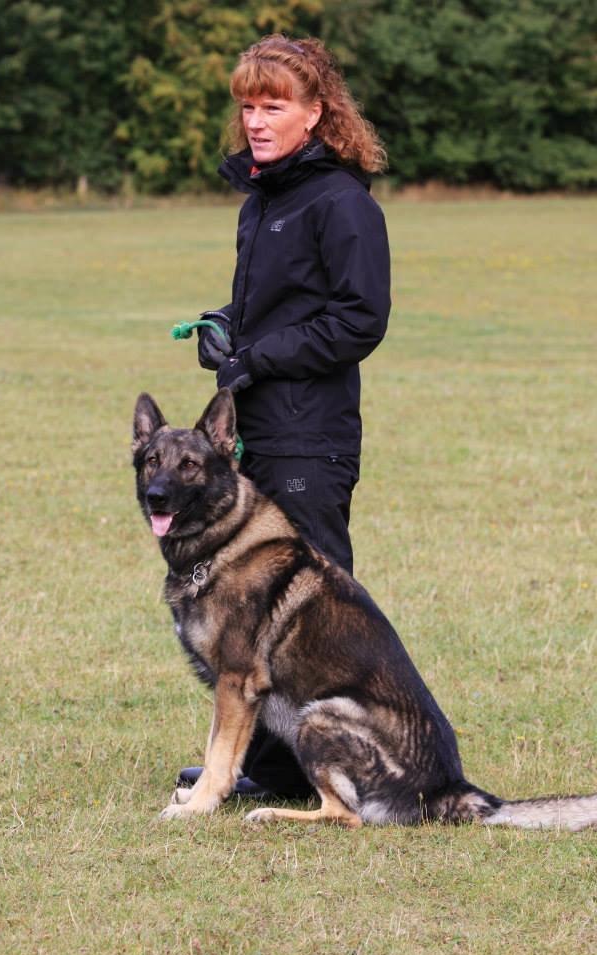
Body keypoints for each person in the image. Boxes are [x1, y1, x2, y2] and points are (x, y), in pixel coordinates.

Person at [180, 33, 391, 800]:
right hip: (256, 434)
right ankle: (263, 768)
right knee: (256, 608)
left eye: (275, 105)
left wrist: (260, 356)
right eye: (247, 106)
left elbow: (360, 319)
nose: (257, 121)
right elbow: (268, 309)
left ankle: (343, 771)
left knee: (318, 613)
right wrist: (224, 328)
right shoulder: (262, 201)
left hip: (311, 437)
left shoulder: (342, 202)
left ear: (316, 112)